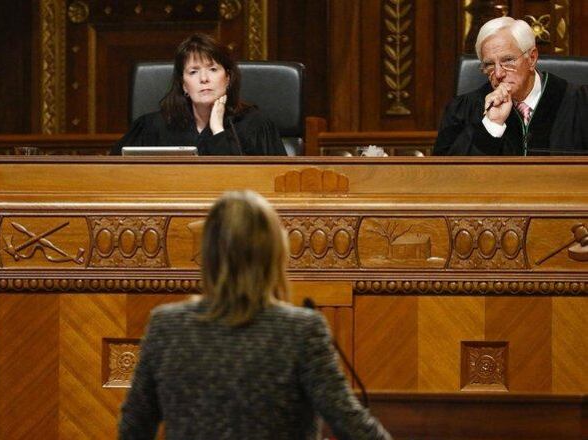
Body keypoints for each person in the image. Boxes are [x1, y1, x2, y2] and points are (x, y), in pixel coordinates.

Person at [118, 191, 390, 439]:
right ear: (276, 253)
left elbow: (133, 430)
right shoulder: (301, 330)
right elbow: (352, 426)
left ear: (207, 254)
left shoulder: (167, 326)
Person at [434, 17, 588, 155]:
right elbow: (448, 178)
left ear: (532, 58)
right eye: (489, 64)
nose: (499, 73)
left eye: (508, 60)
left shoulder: (581, 104)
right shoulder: (462, 110)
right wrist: (491, 125)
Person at [112, 34, 286, 156]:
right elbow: (115, 173)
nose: (204, 79)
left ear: (228, 78)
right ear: (184, 85)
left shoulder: (256, 125)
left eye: (212, 69)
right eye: (194, 72)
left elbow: (267, 184)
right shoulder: (154, 126)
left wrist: (218, 130)